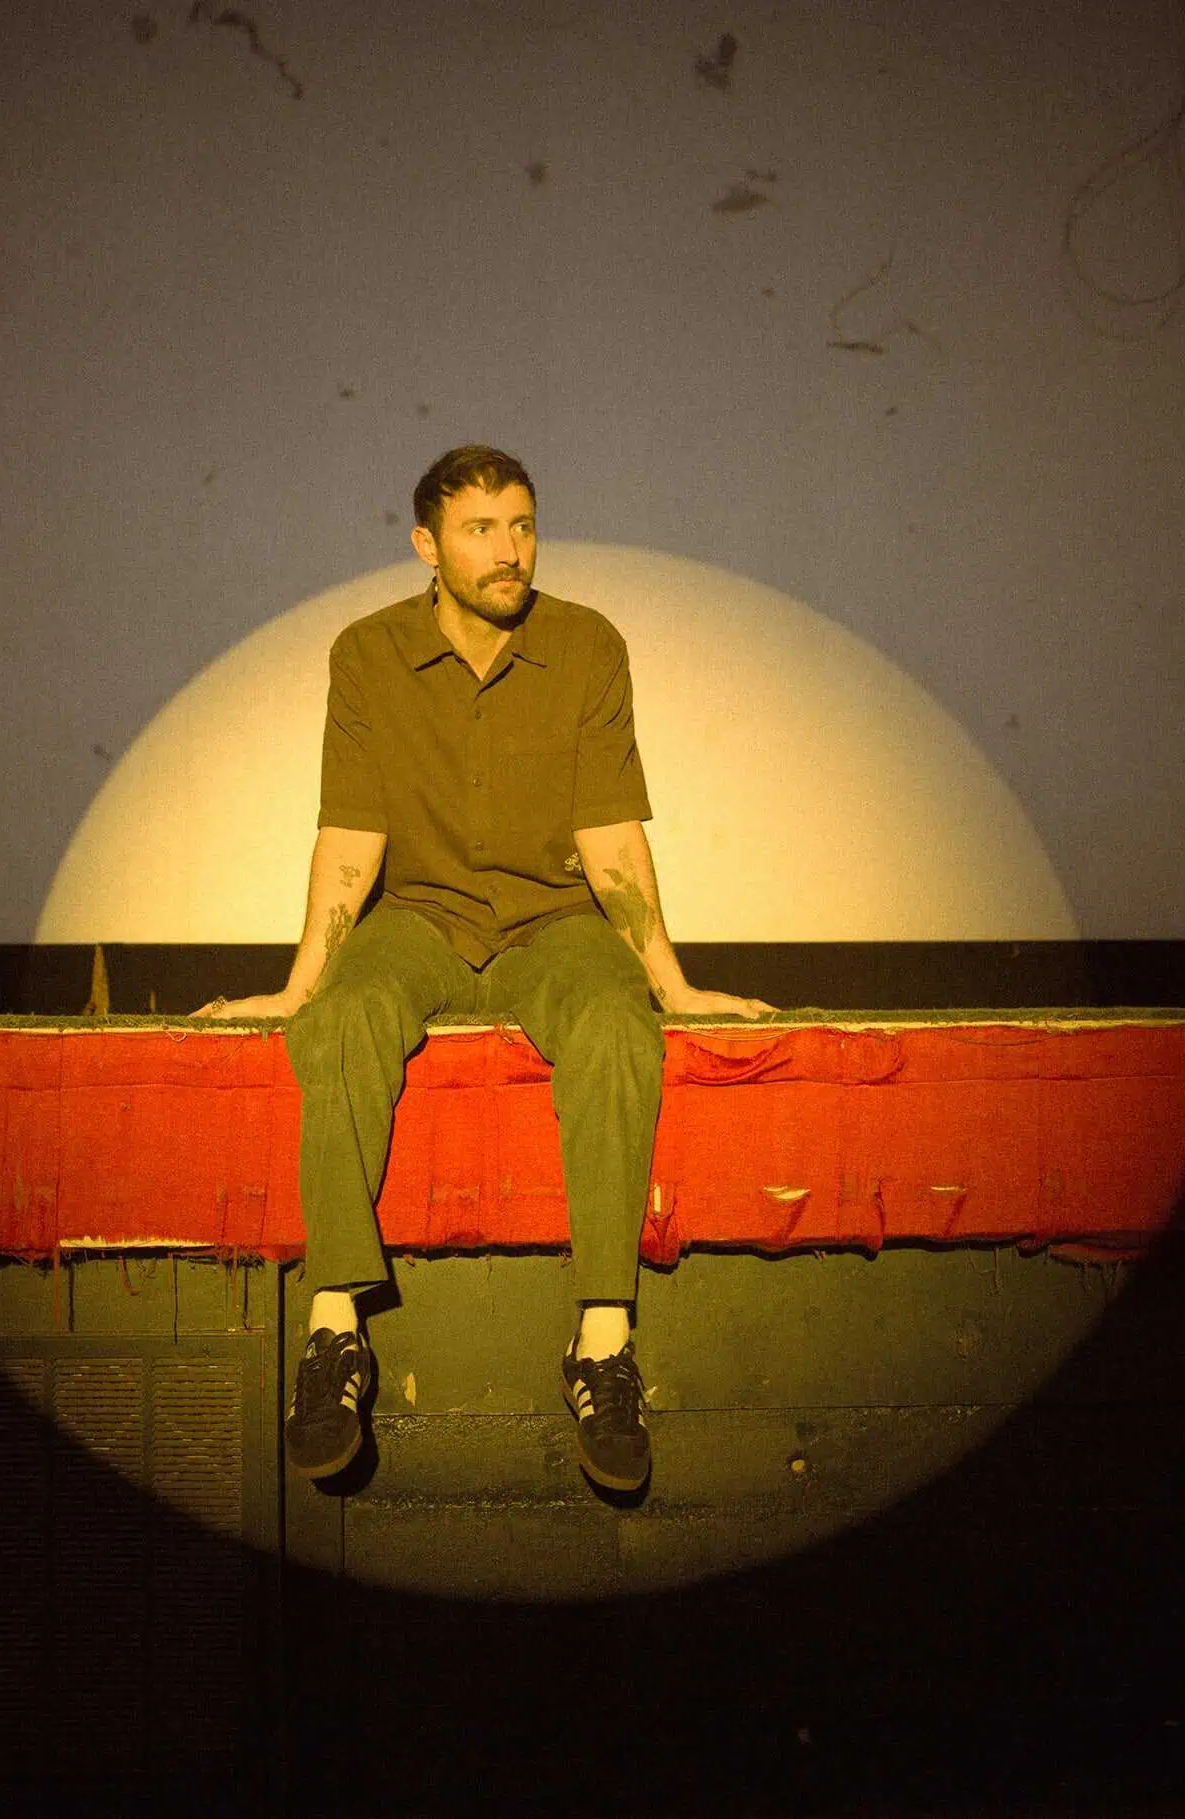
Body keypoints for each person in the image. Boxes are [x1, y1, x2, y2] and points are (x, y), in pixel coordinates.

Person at [190, 446, 772, 1490]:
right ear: (426, 544)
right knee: (339, 1018)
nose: (509, 551)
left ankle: (601, 1343)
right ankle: (335, 1329)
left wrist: (672, 983)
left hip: (553, 921)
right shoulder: (367, 653)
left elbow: (610, 833)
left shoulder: (587, 645)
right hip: (419, 918)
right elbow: (350, 836)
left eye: (522, 525)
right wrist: (297, 985)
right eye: (480, 530)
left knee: (618, 1023)